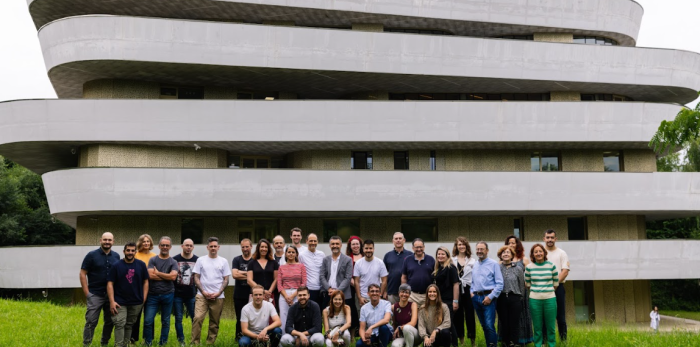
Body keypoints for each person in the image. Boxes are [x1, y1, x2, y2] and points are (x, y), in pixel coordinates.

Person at [80, 232, 120, 347]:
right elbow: (83, 273)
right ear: (100, 240)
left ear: (113, 241)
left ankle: (104, 343)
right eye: (105, 239)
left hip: (111, 296)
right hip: (95, 294)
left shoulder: (116, 256)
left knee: (109, 321)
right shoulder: (91, 255)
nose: (107, 242)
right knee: (91, 321)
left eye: (109, 240)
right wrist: (87, 293)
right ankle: (86, 344)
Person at [107, 242, 149, 347]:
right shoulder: (116, 265)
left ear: (135, 252)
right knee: (120, 324)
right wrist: (112, 301)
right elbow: (110, 283)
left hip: (136, 302)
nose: (130, 252)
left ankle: (125, 344)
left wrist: (143, 299)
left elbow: (146, 282)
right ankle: (118, 345)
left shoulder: (141, 265)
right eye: (128, 250)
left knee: (129, 325)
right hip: (119, 302)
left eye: (132, 250)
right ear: (124, 251)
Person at [191, 237, 231, 345]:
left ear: (218, 247)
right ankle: (194, 343)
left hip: (218, 296)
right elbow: (196, 277)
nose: (213, 248)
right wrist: (203, 292)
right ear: (207, 247)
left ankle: (210, 343)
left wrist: (218, 293)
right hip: (202, 295)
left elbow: (226, 279)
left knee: (214, 322)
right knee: (198, 318)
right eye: (211, 246)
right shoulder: (201, 260)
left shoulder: (223, 261)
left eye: (215, 246)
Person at [143, 236, 178, 346]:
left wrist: (158, 273)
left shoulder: (173, 261)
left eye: (167, 245)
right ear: (159, 246)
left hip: (168, 294)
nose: (164, 247)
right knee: (148, 320)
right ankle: (148, 342)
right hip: (152, 295)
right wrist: (166, 276)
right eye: (163, 245)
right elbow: (150, 275)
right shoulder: (153, 260)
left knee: (166, 321)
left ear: (170, 247)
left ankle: (162, 343)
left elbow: (173, 278)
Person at [525, 243, 559, 347]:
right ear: (533, 254)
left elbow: (556, 284)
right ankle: (538, 344)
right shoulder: (529, 267)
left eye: (540, 251)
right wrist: (538, 292)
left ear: (544, 253)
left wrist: (547, 292)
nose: (538, 253)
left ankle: (552, 344)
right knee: (537, 326)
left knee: (551, 326)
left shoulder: (551, 266)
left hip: (550, 299)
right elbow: (528, 284)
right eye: (536, 252)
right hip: (535, 300)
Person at [470, 242, 503, 347]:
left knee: (489, 326)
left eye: (482, 249)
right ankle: (489, 344)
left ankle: (493, 345)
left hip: (488, 298)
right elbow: (472, 281)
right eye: (478, 249)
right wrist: (472, 293)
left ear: (487, 250)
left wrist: (491, 297)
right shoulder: (475, 264)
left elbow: (500, 283)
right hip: (476, 298)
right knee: (484, 325)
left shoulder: (493, 264)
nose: (479, 251)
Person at [504, 236, 533, 346]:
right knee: (507, 317)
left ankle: (522, 340)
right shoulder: (503, 259)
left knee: (521, 315)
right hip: (507, 293)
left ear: (517, 245)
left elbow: (529, 274)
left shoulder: (523, 259)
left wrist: (527, 284)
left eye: (513, 243)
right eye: (509, 243)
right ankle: (507, 341)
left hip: (521, 292)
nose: (511, 245)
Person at [543, 229, 569, 341]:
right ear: (544, 239)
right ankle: (543, 342)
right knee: (544, 317)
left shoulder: (561, 253)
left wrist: (554, 285)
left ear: (555, 239)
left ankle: (563, 341)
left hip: (558, 288)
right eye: (547, 237)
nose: (550, 239)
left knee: (561, 317)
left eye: (552, 237)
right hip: (542, 289)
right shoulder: (540, 252)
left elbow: (565, 271)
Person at [496, 245, 525, 347]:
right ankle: (505, 342)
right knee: (504, 322)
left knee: (514, 322)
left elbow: (522, 285)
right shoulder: (497, 268)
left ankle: (515, 342)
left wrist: (520, 298)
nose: (506, 254)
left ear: (512, 255)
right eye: (503, 252)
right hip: (501, 298)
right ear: (500, 255)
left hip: (515, 298)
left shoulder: (518, 269)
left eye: (508, 252)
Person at [131, 233, 157, 344]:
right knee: (135, 315)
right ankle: (133, 338)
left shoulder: (154, 256)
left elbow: (155, 273)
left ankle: (148, 339)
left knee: (149, 316)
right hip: (137, 288)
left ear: (150, 243)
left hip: (152, 289)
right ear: (140, 243)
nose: (146, 243)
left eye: (148, 241)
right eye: (144, 241)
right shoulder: (135, 255)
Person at [432, 246, 459, 347]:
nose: (440, 256)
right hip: (439, 301)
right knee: (442, 323)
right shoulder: (438, 268)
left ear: (447, 256)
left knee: (449, 323)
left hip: (448, 301)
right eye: (439, 254)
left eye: (443, 254)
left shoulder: (451, 267)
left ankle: (455, 345)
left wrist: (455, 301)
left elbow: (456, 284)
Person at [173, 238, 199, 345]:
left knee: (195, 318)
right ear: (182, 246)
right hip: (177, 294)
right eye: (186, 245)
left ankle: (194, 340)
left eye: (190, 246)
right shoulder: (175, 259)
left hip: (191, 293)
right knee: (178, 318)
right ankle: (181, 341)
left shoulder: (197, 260)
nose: (188, 247)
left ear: (193, 247)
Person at [452, 237, 476, 347]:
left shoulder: (472, 260)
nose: (461, 246)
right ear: (456, 247)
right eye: (459, 244)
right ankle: (461, 341)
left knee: (470, 315)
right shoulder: (452, 260)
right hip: (456, 288)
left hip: (468, 289)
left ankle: (473, 341)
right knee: (458, 315)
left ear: (466, 246)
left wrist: (473, 291)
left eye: (463, 244)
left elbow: (475, 277)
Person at [278, 245, 307, 332]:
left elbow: (304, 283)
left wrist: (293, 295)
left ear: (296, 254)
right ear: (285, 254)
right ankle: (283, 340)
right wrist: (286, 296)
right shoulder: (281, 267)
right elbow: (279, 284)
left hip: (298, 293)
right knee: (284, 317)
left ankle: (297, 338)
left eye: (293, 252)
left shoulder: (301, 266)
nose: (291, 254)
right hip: (284, 294)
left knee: (298, 316)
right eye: (289, 252)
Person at [320, 236, 353, 310]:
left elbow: (348, 278)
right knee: (327, 317)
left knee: (343, 318)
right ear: (330, 245)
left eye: (337, 244)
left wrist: (337, 291)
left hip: (343, 295)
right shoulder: (325, 259)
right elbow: (322, 276)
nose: (335, 246)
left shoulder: (348, 260)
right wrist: (328, 289)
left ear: (341, 245)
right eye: (333, 244)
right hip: (328, 294)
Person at [353, 240, 388, 307]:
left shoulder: (380, 263)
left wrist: (380, 295)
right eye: (366, 248)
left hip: (376, 297)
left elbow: (384, 281)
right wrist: (359, 297)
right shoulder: (358, 263)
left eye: (370, 248)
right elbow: (356, 282)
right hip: (363, 298)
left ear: (373, 249)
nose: (368, 250)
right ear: (363, 249)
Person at [401, 238, 435, 307]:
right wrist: (404, 291)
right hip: (412, 295)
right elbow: (404, 277)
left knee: (427, 317)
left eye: (421, 247)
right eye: (417, 247)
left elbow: (435, 277)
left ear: (424, 247)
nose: (419, 249)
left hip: (427, 295)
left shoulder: (431, 259)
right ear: (413, 248)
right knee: (412, 316)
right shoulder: (407, 260)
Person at [232, 238, 253, 341]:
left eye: (247, 246)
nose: (245, 249)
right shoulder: (237, 259)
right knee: (239, 317)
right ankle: (238, 338)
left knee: (252, 318)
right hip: (239, 295)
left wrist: (241, 272)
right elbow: (234, 275)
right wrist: (249, 274)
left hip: (252, 294)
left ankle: (251, 337)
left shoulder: (255, 260)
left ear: (251, 247)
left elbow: (256, 276)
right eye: (243, 247)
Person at [247, 239, 279, 305]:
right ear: (258, 248)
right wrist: (262, 291)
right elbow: (249, 280)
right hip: (256, 295)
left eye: (266, 247)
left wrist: (269, 292)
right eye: (262, 247)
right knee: (255, 314)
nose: (264, 249)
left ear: (268, 249)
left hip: (270, 295)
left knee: (271, 314)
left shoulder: (274, 263)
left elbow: (276, 279)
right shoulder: (251, 263)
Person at [383, 232, 413, 304]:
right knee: (392, 313)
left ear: (404, 240)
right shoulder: (388, 255)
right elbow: (384, 275)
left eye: (400, 238)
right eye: (396, 239)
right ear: (393, 241)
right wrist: (384, 291)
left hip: (407, 292)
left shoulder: (410, 255)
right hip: (392, 291)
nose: (398, 240)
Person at [300, 233, 326, 308]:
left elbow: (324, 271)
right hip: (309, 288)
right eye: (311, 241)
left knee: (320, 311)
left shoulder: (322, 254)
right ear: (306, 241)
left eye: (315, 241)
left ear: (317, 242)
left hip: (321, 289)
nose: (313, 243)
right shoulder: (301, 255)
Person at [346, 236, 364, 338]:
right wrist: (354, 283)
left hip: (364, 288)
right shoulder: (348, 258)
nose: (355, 246)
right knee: (352, 311)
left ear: (360, 245)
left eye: (357, 244)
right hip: (351, 289)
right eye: (353, 244)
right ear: (350, 246)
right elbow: (347, 274)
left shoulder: (365, 256)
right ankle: (352, 337)